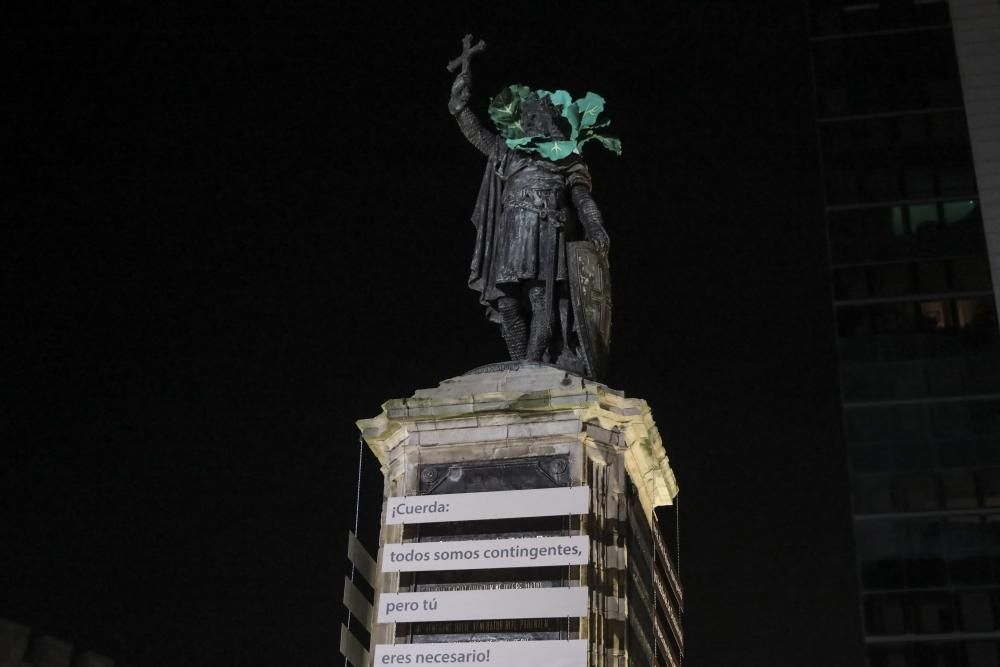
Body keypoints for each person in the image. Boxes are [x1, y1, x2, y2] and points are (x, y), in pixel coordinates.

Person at [448, 50, 614, 375]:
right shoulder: (508, 153)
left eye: (535, 116)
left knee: (541, 297)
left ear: (549, 120)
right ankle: (521, 363)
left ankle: (533, 365)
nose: (529, 122)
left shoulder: (565, 156)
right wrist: (459, 105)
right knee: (507, 302)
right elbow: (475, 133)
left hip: (547, 227)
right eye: (525, 118)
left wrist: (595, 225)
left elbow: (581, 198)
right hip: (511, 231)